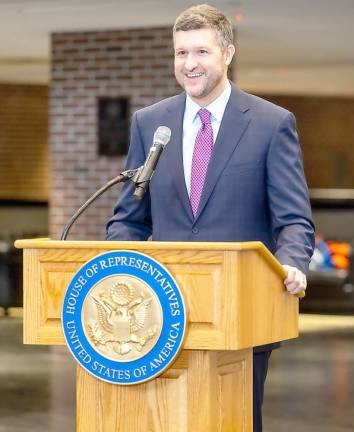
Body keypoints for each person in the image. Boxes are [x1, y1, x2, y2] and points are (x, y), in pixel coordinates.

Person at [106, 4, 315, 431]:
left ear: (228, 54)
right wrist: (115, 261)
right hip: (161, 315)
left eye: (201, 52)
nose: (189, 64)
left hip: (241, 310)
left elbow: (294, 219)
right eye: (180, 54)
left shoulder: (271, 124)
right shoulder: (150, 123)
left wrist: (290, 262)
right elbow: (130, 216)